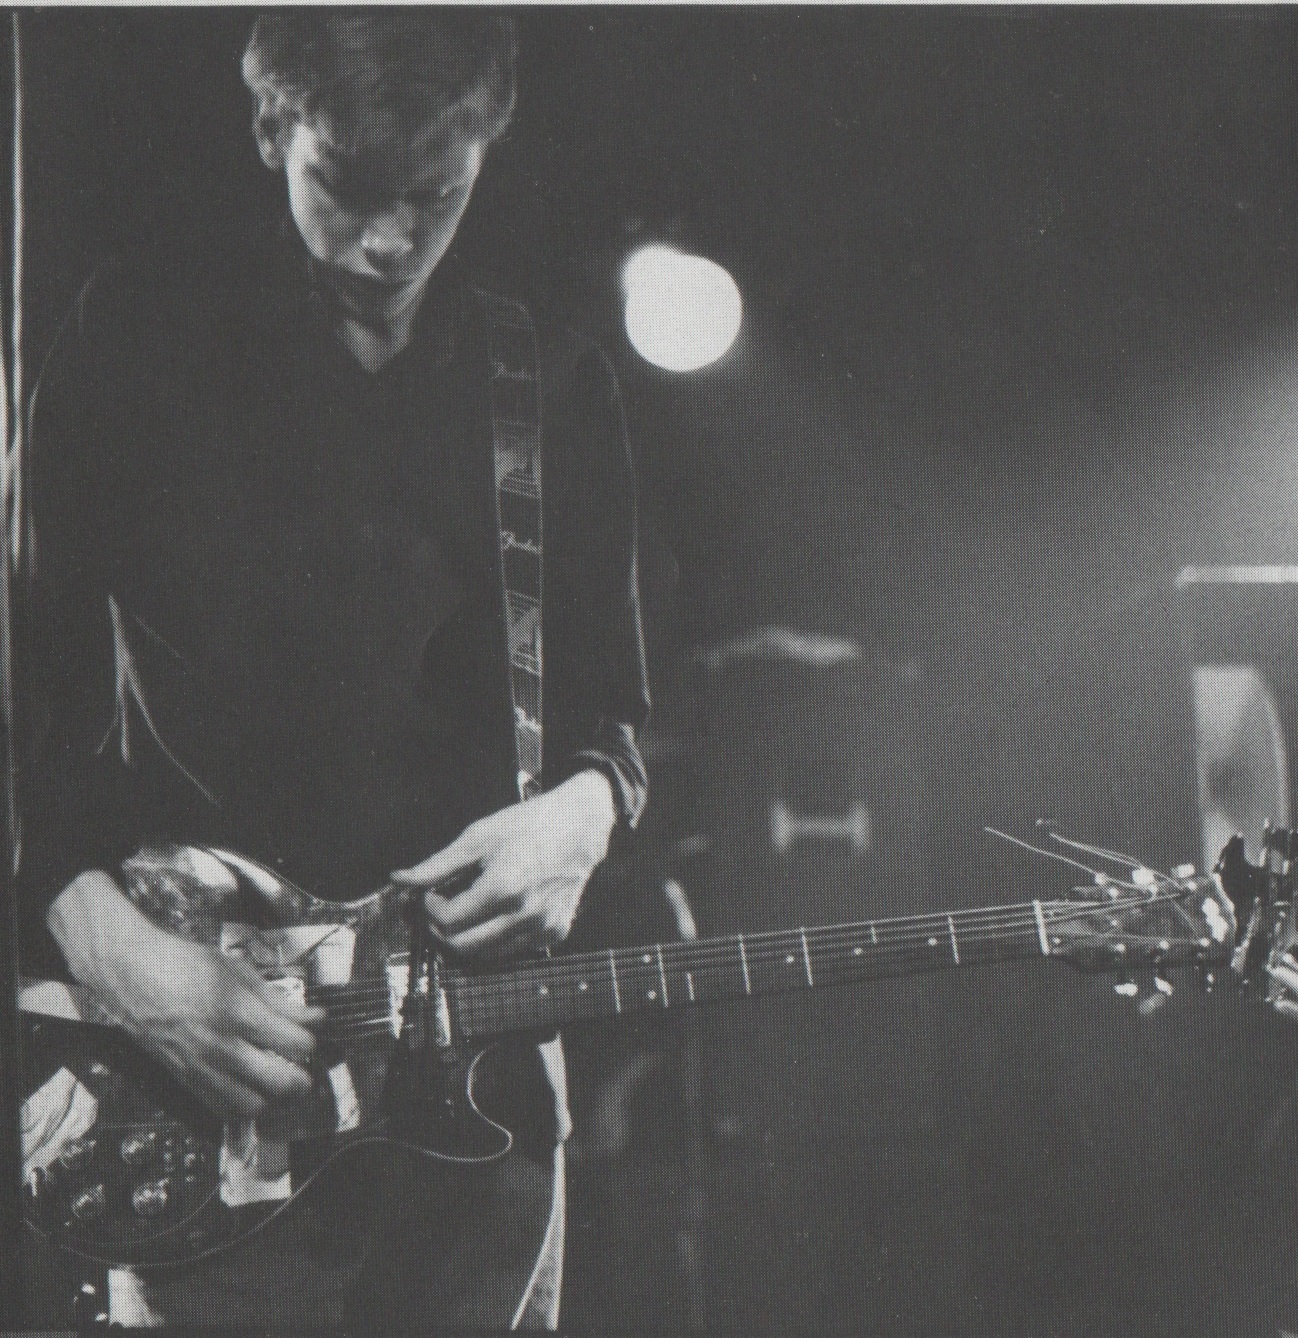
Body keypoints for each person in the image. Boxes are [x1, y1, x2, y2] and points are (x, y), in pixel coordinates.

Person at [19, 11, 649, 1328]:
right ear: (271, 129)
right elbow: (23, 693)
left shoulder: (550, 378)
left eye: (435, 195)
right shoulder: (135, 338)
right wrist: (110, 950)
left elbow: (614, 721)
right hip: (200, 1080)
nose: (390, 242)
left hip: (475, 1096)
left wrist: (585, 812)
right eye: (350, 190)